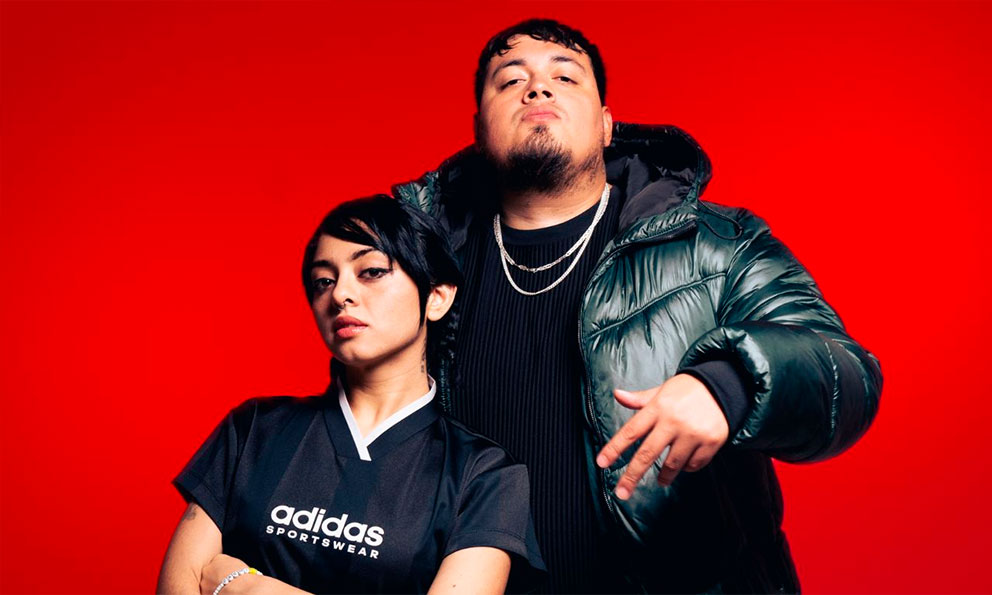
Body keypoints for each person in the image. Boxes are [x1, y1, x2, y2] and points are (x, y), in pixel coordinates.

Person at [393, 19, 883, 593]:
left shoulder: (717, 245)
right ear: (479, 130)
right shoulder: (418, 269)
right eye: (510, 80)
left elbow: (848, 376)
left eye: (565, 77)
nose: (538, 88)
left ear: (606, 126)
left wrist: (729, 383)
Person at [157, 196, 544, 594]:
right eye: (323, 280)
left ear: (436, 297)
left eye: (371, 272)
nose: (340, 294)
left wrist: (250, 588)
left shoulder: (485, 475)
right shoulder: (254, 430)